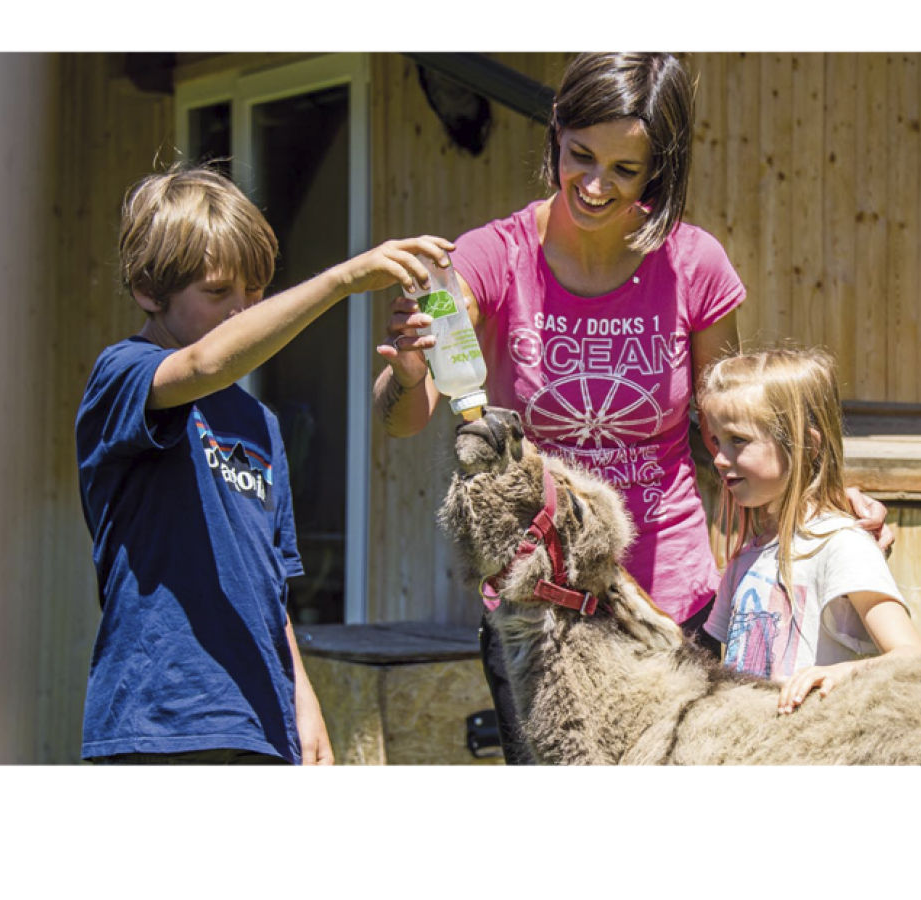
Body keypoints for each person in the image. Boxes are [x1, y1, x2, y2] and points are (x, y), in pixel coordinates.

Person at [374, 50, 890, 764]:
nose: (594, 185)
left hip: (673, 609)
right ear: (556, 130)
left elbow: (736, 425)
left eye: (625, 169)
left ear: (659, 169)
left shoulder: (693, 264)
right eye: (580, 156)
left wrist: (822, 505)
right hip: (538, 616)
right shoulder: (491, 256)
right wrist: (407, 367)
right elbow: (404, 413)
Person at [77, 162, 453, 766]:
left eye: (254, 294)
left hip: (259, 721)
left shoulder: (259, 424)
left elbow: (269, 585)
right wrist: (342, 280)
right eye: (218, 292)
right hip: (160, 721)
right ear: (150, 291)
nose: (244, 310)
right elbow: (203, 366)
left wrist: (303, 700)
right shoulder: (123, 375)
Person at [699, 348, 921, 714]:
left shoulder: (840, 545)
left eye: (738, 440)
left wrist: (843, 673)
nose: (720, 459)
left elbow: (912, 656)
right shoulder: (746, 557)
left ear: (806, 445)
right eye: (716, 442)